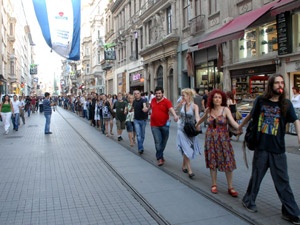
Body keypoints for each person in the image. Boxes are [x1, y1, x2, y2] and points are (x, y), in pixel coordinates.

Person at [238, 74, 300, 224]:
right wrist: (239, 127)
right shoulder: (261, 100)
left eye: (282, 83)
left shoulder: (286, 104)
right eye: (277, 83)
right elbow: (251, 116)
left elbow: (296, 120)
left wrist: (299, 137)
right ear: (271, 85)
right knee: (257, 176)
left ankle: (290, 211)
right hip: (261, 147)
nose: (280, 85)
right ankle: (248, 200)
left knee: (282, 181)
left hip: (278, 149)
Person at [196, 89, 240, 196]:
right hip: (210, 139)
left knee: (227, 161)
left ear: (222, 99)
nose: (217, 99)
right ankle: (214, 184)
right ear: (212, 98)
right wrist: (196, 125)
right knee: (213, 161)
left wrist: (240, 127)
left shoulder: (226, 110)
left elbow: (233, 122)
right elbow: (202, 119)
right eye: (215, 97)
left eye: (219, 97)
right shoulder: (208, 110)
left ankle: (230, 187)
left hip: (223, 140)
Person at [149, 87, 179, 166]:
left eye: (159, 93)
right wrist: (146, 109)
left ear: (162, 93)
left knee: (164, 142)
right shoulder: (153, 100)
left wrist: (175, 116)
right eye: (157, 93)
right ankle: (160, 158)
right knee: (158, 141)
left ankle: (159, 154)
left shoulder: (166, 101)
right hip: (154, 125)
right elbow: (150, 107)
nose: (158, 95)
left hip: (165, 125)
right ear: (155, 94)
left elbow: (171, 109)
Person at [177, 88, 201, 179]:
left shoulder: (195, 106)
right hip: (181, 129)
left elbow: (197, 117)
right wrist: (177, 117)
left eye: (184, 95)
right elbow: (179, 114)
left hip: (191, 130)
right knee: (186, 148)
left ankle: (183, 165)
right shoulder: (182, 104)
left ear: (189, 96)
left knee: (187, 148)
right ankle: (190, 170)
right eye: (182, 95)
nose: (182, 97)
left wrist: (198, 125)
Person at [133, 90, 148, 154]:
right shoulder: (134, 101)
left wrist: (145, 108)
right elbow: (132, 108)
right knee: (138, 134)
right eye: (135, 94)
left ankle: (140, 145)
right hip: (136, 120)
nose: (136, 95)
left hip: (143, 120)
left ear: (140, 94)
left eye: (138, 93)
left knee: (142, 135)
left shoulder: (143, 100)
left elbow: (144, 105)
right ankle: (140, 148)